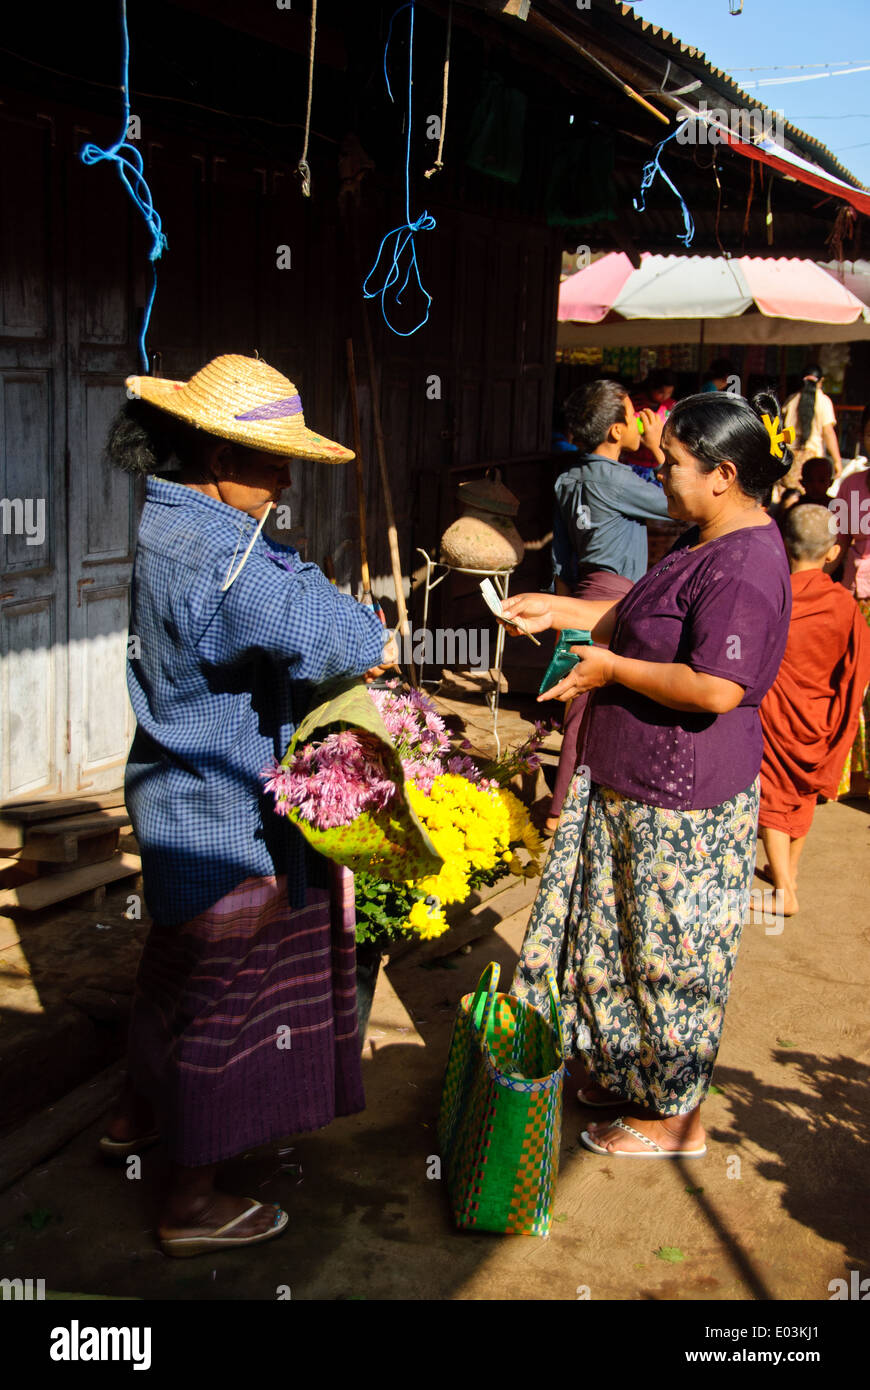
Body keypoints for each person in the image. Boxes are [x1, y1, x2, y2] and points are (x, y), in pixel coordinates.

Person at [100, 355, 395, 1255]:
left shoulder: (166, 521)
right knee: (226, 1010)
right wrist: (340, 605)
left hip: (172, 803)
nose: (285, 478)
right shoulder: (225, 559)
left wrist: (290, 566)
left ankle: (133, 1120)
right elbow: (345, 637)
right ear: (212, 449)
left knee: (171, 979)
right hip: (230, 820)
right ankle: (190, 1203)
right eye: (270, 460)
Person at [503, 390, 793, 1158]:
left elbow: (716, 688)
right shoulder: (706, 537)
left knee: (671, 951)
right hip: (641, 782)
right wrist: (557, 611)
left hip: (684, 797)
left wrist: (608, 671)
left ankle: (674, 1118)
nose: (655, 473)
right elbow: (648, 615)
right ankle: (634, 1072)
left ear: (724, 474)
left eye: (670, 464)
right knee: (625, 937)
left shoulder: (747, 567)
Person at [546, 379, 672, 835]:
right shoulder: (619, 481)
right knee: (597, 703)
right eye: (635, 414)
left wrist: (562, 612)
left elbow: (561, 556)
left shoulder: (566, 479)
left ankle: (572, 800)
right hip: (616, 597)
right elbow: (682, 505)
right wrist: (660, 451)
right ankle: (562, 810)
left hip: (578, 594)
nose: (643, 420)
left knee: (579, 700)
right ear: (616, 431)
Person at [757, 506, 870, 915]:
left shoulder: (775, 598)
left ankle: (784, 890)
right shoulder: (844, 605)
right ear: (833, 552)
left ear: (783, 548)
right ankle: (789, 870)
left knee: (773, 789)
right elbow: (857, 669)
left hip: (777, 711)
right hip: (820, 715)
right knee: (802, 790)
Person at [833, 432, 870, 798]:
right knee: (852, 685)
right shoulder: (852, 485)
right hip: (854, 598)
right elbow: (837, 541)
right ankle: (849, 779)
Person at [782, 364, 842, 488]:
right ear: (821, 381)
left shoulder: (791, 400)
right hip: (813, 460)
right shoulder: (824, 401)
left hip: (788, 458)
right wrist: (837, 461)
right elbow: (828, 432)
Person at [630, 368, 675, 483]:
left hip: (660, 462)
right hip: (636, 462)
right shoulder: (634, 404)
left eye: (669, 393)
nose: (665, 396)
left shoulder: (672, 406)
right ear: (651, 388)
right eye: (661, 392)